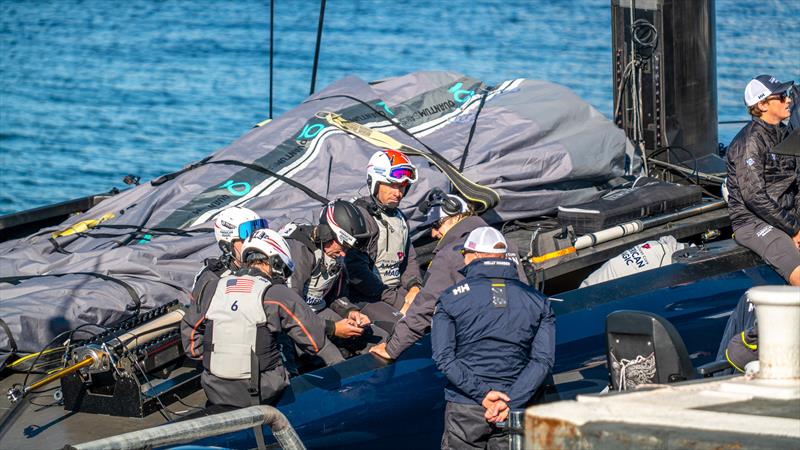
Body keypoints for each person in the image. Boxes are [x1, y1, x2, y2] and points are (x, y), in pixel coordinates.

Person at [431, 227, 555, 449]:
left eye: (464, 254)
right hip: (515, 405)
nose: (463, 260)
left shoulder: (450, 298)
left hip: (466, 406)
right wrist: (510, 401)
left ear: (476, 256)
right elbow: (543, 361)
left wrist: (484, 394)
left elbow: (443, 358)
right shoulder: (538, 301)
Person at [370, 189, 528, 360]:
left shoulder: (450, 255)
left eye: (436, 224)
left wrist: (392, 348)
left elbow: (424, 308)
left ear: (457, 215)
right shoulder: (506, 245)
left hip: (481, 352)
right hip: (520, 340)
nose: (433, 233)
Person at [201, 229, 343, 410]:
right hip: (260, 391)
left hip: (214, 388)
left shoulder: (215, 287)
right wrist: (344, 372)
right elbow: (315, 342)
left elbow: (191, 330)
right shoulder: (276, 292)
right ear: (275, 262)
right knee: (284, 339)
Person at [726, 74, 800, 286]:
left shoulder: (786, 134)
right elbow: (754, 197)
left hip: (786, 218)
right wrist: (793, 228)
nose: (788, 100)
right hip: (753, 222)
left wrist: (797, 223)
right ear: (763, 104)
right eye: (782, 96)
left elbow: (797, 183)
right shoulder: (749, 142)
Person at [282, 200, 380, 350]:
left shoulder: (336, 253)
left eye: (347, 249)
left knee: (374, 337)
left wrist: (350, 311)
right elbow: (291, 311)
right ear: (325, 234)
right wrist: (332, 328)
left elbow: (336, 296)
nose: (343, 253)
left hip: (320, 312)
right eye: (342, 247)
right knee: (334, 357)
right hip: (298, 322)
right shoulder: (299, 251)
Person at [181, 206, 269, 360]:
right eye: (246, 240)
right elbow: (192, 335)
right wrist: (218, 360)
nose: (255, 246)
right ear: (226, 245)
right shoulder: (213, 280)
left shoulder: (267, 266)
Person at [346, 149, 424, 309]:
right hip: (366, 296)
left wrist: (415, 286)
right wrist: (398, 302)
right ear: (375, 183)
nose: (398, 193)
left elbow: (409, 259)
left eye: (403, 187)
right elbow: (356, 272)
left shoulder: (399, 217)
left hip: (393, 290)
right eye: (392, 185)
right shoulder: (360, 217)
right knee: (407, 326)